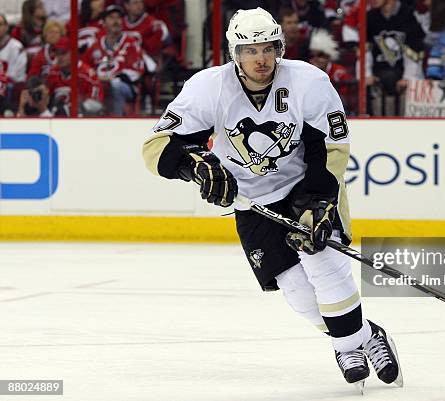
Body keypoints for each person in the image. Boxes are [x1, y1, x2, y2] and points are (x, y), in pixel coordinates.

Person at [142, 7, 402, 390]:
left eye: (267, 48)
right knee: (297, 292)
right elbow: (156, 149)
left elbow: (330, 149)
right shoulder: (208, 86)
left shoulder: (309, 82)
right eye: (250, 51)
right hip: (251, 201)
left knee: (325, 265)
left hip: (306, 187)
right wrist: (194, 167)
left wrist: (317, 204)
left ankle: (347, 346)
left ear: (279, 47)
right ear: (235, 54)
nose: (260, 58)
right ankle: (365, 336)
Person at [82, 5, 144, 116]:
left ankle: (116, 120)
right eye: (111, 18)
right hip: (99, 84)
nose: (116, 21)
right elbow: (84, 67)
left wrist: (114, 77)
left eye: (118, 18)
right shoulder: (95, 45)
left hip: (126, 87)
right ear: (103, 23)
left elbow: (136, 72)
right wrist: (97, 78)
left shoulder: (131, 43)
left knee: (115, 85)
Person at [366, 0, 426, 115]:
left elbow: (415, 49)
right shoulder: (370, 17)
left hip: (403, 76)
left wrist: (408, 77)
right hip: (379, 77)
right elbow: (365, 50)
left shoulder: (409, 15)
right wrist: (366, 75)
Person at [47, 37, 105, 116]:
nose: (60, 57)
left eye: (63, 53)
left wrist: (77, 108)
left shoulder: (88, 75)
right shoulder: (52, 73)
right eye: (57, 53)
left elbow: (96, 104)